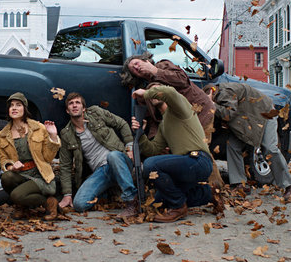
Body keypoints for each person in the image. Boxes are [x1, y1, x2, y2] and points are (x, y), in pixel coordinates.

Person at [121, 54, 223, 188]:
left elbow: (182, 80)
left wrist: (154, 71)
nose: (136, 67)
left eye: (136, 62)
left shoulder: (162, 65)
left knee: (198, 151)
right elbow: (153, 119)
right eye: (133, 69)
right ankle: (192, 191)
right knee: (181, 155)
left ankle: (214, 190)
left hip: (199, 111)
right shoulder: (144, 90)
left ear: (145, 60)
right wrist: (157, 139)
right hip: (175, 121)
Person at [131, 84, 220, 223]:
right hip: (185, 165)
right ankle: (208, 193)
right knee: (159, 200)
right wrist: (140, 133)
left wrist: (147, 92)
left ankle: (179, 208)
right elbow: (153, 149)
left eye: (156, 88)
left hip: (198, 160)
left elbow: (169, 92)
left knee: (150, 165)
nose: (154, 93)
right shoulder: (163, 124)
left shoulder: (180, 107)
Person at [205, 82, 291, 202]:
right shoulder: (220, 93)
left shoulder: (224, 92)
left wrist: (211, 105)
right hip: (249, 121)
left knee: (269, 149)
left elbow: (228, 114)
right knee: (232, 146)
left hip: (265, 114)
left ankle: (289, 187)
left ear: (211, 92)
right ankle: (239, 184)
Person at [58, 92, 139, 218]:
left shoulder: (96, 113)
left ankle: (131, 202)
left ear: (83, 108)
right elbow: (65, 165)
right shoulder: (66, 134)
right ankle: (111, 189)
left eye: (77, 103)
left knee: (112, 156)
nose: (74, 106)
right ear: (67, 110)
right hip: (101, 172)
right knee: (79, 204)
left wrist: (129, 147)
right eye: (71, 104)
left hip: (119, 160)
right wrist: (67, 194)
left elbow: (122, 123)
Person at [0, 93, 61, 221]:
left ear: (24, 108)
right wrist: (11, 166)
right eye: (11, 106)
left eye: (18, 105)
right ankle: (23, 207)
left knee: (16, 195)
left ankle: (49, 202)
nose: (14, 108)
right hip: (21, 174)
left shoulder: (38, 128)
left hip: (40, 175)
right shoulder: (2, 135)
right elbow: (3, 159)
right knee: (6, 177)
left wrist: (53, 136)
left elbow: (48, 158)